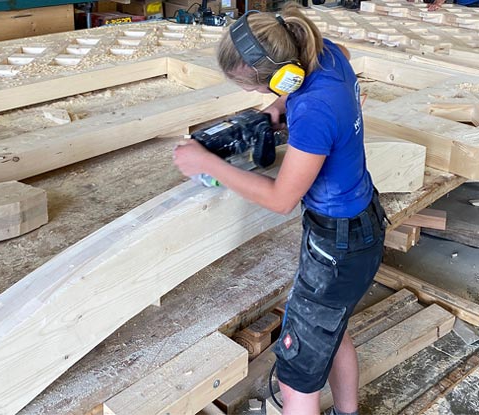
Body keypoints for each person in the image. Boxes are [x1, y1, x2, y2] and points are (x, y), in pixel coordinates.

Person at [173, 5, 387, 415]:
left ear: (283, 75)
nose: (256, 96)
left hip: (337, 250)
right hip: (362, 226)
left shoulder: (314, 112)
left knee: (296, 378)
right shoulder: (323, 52)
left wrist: (208, 164)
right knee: (332, 329)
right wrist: (280, 105)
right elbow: (334, 59)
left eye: (255, 88)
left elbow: (281, 199)